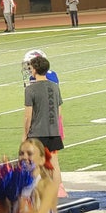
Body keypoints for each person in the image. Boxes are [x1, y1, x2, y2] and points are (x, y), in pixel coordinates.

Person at [23, 55, 67, 198]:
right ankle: (59, 192)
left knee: (34, 165)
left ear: (35, 70)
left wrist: (25, 134)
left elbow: (28, 116)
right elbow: (58, 111)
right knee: (54, 164)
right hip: (53, 131)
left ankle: (37, 194)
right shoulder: (55, 86)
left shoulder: (30, 89)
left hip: (37, 133)